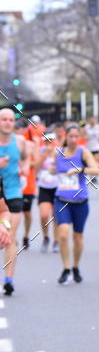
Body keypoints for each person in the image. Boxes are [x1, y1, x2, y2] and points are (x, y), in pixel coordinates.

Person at [51, 124, 99, 284]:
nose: (73, 139)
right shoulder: (58, 152)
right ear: (66, 136)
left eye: (76, 137)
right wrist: (51, 170)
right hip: (62, 200)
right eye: (70, 136)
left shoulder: (83, 152)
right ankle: (66, 268)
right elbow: (53, 168)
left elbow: (96, 170)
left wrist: (80, 169)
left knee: (78, 237)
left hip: (80, 201)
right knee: (63, 234)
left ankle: (75, 266)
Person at [0, 107, 28, 294]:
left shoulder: (20, 141)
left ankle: (9, 278)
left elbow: (26, 159)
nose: (8, 122)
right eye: (4, 119)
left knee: (10, 236)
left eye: (11, 119)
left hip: (13, 193)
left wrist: (24, 168)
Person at [36, 128, 60, 252]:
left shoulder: (59, 152)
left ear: (55, 140)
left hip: (57, 187)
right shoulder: (41, 152)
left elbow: (64, 169)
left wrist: (55, 158)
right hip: (44, 187)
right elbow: (35, 168)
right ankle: (46, 237)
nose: (48, 143)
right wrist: (43, 157)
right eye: (46, 141)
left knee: (56, 215)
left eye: (51, 141)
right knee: (44, 215)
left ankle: (56, 241)